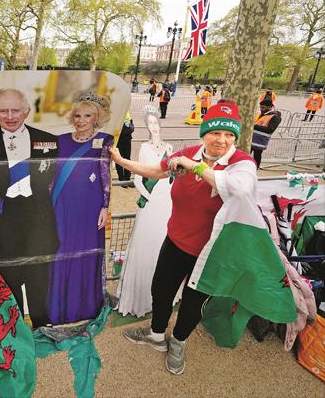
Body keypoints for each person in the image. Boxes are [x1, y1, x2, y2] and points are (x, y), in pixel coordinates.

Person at [110, 99, 256, 375]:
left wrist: (195, 167)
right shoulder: (189, 153)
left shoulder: (241, 162)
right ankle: (156, 336)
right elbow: (155, 171)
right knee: (161, 290)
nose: (222, 140)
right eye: (215, 132)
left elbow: (239, 189)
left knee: (193, 301)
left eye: (229, 135)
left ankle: (178, 341)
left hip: (212, 252)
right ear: (204, 133)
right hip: (176, 241)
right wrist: (120, 161)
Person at [0, 88, 59, 327]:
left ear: (27, 111)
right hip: (3, 222)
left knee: (39, 275)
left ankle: (43, 325)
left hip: (38, 219)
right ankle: (16, 326)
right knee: (9, 277)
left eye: (15, 110)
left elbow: (44, 182)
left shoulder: (49, 141)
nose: (10, 116)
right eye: (3, 110)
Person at [47, 93, 114, 325]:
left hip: (89, 207)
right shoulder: (60, 140)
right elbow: (50, 176)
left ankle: (83, 307)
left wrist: (105, 206)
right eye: (77, 115)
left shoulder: (105, 140)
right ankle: (59, 308)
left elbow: (106, 175)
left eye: (88, 115)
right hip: (62, 205)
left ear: (97, 118)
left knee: (85, 251)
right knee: (60, 251)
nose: (82, 120)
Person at [116, 106, 175, 318]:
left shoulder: (170, 147)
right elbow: (139, 176)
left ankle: (160, 294)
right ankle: (139, 296)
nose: (153, 127)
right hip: (151, 203)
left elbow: (173, 175)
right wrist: (148, 197)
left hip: (167, 204)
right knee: (145, 243)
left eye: (155, 122)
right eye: (149, 123)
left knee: (162, 243)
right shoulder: (144, 148)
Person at [251, 98, 282, 167]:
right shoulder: (262, 114)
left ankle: (256, 168)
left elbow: (270, 129)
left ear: (270, 107)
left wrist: (254, 126)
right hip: (252, 138)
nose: (261, 109)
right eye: (260, 107)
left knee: (257, 156)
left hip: (260, 141)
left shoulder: (275, 116)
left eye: (263, 107)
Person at [116, 112, 134, 183]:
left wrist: (130, 128)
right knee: (118, 158)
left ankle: (127, 178)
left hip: (127, 138)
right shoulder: (116, 112)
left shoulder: (127, 113)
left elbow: (131, 125)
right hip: (118, 140)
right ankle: (121, 178)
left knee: (127, 158)